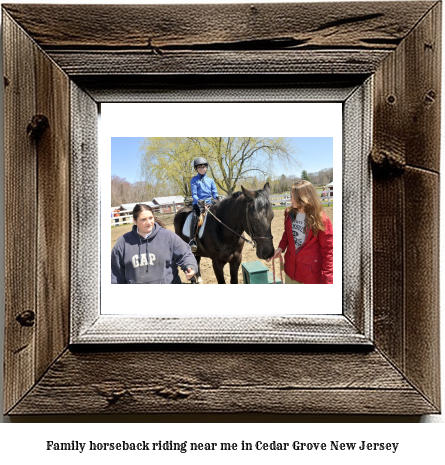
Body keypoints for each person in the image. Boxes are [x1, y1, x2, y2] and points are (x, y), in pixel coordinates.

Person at [111, 204, 198, 284]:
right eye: (143, 219)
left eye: (151, 218)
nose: (149, 222)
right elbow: (114, 273)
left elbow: (185, 254)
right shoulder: (123, 243)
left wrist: (190, 265)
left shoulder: (168, 236)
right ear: (135, 221)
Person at [268, 180, 333, 284]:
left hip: (310, 275)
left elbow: (328, 250)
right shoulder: (289, 213)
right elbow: (287, 233)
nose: (291, 199)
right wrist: (281, 247)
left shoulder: (321, 219)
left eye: (294, 196)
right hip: (290, 270)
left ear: (304, 197)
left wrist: (328, 279)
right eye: (290, 195)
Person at [189, 156, 219, 252]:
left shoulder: (210, 180)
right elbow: (194, 194)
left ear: (206, 168)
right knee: (195, 217)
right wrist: (199, 201)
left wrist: (217, 197)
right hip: (198, 203)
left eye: (203, 167)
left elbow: (214, 192)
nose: (202, 169)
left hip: (210, 203)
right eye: (199, 167)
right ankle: (192, 240)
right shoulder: (194, 180)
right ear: (196, 169)